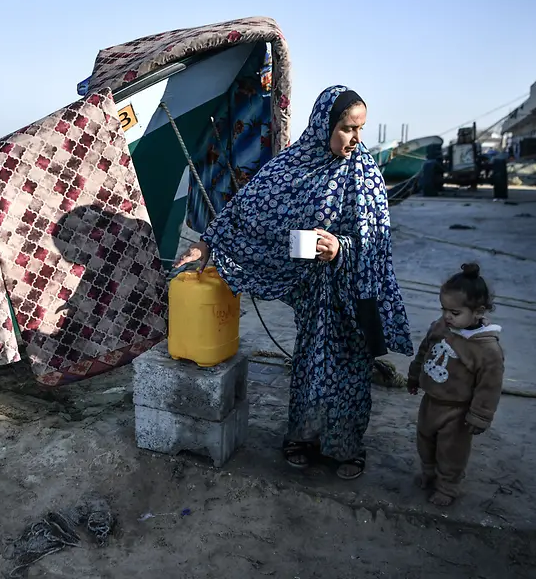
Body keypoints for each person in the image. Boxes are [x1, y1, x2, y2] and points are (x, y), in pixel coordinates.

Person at [174, 85, 413, 480]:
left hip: (351, 293)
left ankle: (346, 447)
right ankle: (301, 438)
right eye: (347, 129)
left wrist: (341, 246)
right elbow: (248, 209)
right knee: (311, 366)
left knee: (350, 372)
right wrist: (206, 244)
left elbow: (377, 240)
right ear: (324, 125)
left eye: (360, 130)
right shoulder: (291, 166)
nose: (355, 139)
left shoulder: (365, 174)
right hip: (314, 294)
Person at [406, 263, 504, 506]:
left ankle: (448, 487)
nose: (447, 316)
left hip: (457, 411)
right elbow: (424, 351)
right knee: (425, 440)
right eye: (444, 309)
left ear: (478, 312)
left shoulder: (487, 350)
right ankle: (429, 473)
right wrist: (414, 375)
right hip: (431, 401)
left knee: (451, 451)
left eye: (455, 312)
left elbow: (489, 387)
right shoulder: (440, 327)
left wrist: (480, 416)